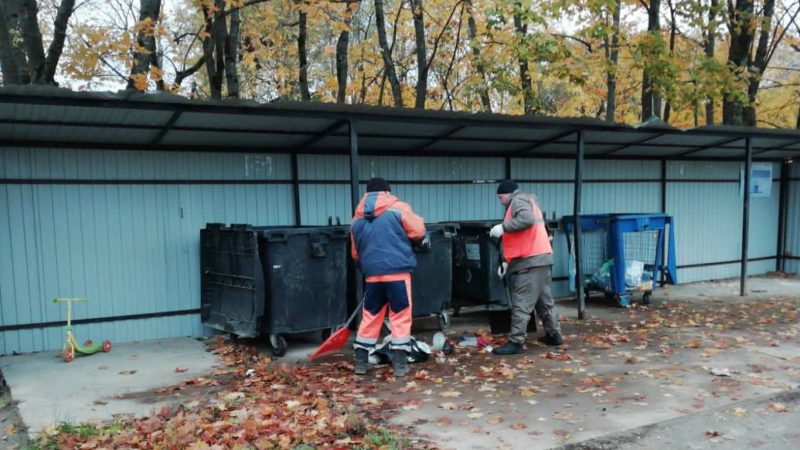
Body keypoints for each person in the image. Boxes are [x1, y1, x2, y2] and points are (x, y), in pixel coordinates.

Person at [350, 177, 427, 376]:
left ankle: (360, 362)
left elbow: (355, 254)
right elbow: (418, 231)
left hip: (372, 276)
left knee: (370, 316)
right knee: (400, 316)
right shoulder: (398, 208)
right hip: (397, 274)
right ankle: (400, 365)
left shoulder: (356, 218)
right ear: (387, 192)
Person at [489, 179, 563, 355]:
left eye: (501, 197)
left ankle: (516, 342)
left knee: (521, 302)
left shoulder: (518, 200)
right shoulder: (530, 201)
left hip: (530, 260)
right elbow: (523, 236)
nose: (501, 202)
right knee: (543, 300)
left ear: (508, 193)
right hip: (541, 257)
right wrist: (507, 262)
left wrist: (503, 227)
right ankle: (554, 334)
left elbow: (526, 220)